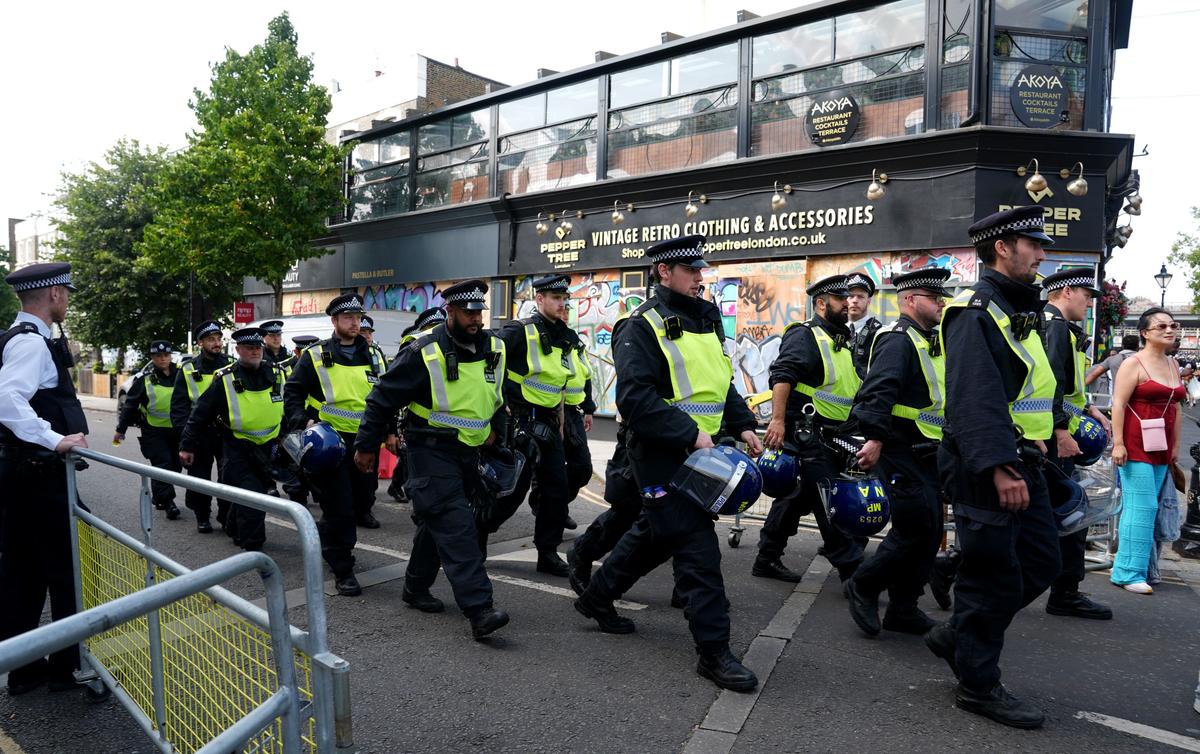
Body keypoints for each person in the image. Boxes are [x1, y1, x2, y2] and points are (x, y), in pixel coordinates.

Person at [573, 235, 764, 692]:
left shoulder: (707, 320)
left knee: (657, 536)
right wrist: (690, 434)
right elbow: (635, 398)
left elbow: (721, 385)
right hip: (661, 456)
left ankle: (598, 597)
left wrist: (742, 425)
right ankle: (714, 653)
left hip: (702, 453)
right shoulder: (640, 325)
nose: (701, 277)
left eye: (701, 270)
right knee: (698, 551)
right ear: (664, 272)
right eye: (691, 270)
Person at [926, 205, 1061, 729]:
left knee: (1042, 561)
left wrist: (1047, 437)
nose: (1043, 254)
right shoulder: (976, 311)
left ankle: (959, 633)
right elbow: (973, 399)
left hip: (1024, 458)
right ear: (1003, 248)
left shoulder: (1015, 307)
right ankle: (978, 686)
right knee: (991, 577)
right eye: (1034, 244)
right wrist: (1001, 467)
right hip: (989, 466)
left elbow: (1027, 388)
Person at [352, 280, 510, 639]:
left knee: (436, 522)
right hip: (429, 451)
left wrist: (498, 434)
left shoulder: (495, 348)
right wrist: (366, 446)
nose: (475, 319)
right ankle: (479, 609)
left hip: (470, 452)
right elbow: (382, 398)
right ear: (450, 312)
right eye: (468, 313)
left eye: (478, 313)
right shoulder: (424, 351)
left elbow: (499, 396)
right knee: (457, 527)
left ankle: (414, 587)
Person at [843, 268, 952, 638]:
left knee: (930, 529)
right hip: (899, 446)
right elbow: (879, 390)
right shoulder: (897, 339)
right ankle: (864, 584)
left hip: (929, 448)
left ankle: (904, 608)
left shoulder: (930, 339)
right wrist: (874, 438)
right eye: (934, 297)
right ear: (910, 300)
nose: (941, 303)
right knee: (914, 527)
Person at [0, 263, 91, 696]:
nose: (68, 301)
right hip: (40, 477)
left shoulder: (17, 338)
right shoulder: (32, 344)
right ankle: (66, 668)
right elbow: (6, 398)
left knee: (23, 574)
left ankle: (24, 668)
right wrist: (55, 440)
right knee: (69, 571)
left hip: (22, 477)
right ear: (54, 294)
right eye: (66, 293)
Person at [755, 274, 865, 583]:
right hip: (808, 432)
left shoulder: (842, 339)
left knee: (797, 497)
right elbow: (782, 377)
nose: (848, 303)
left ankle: (766, 557)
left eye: (851, 298)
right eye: (841, 299)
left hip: (835, 433)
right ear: (820, 303)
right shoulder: (806, 335)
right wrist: (776, 421)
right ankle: (854, 573)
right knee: (829, 500)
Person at [284, 293, 387, 595]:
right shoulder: (316, 355)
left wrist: (390, 431)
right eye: (348, 318)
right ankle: (343, 569)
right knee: (339, 507)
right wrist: (303, 422)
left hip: (365, 442)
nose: (355, 323)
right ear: (334, 321)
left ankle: (328, 538)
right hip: (330, 443)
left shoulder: (374, 354)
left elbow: (384, 396)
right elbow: (293, 392)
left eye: (357, 318)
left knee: (359, 503)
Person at [493, 274, 596, 575]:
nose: (561, 303)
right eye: (555, 298)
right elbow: (490, 360)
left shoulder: (564, 335)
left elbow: (575, 376)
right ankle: (477, 534)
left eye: (564, 298)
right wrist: (503, 404)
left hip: (551, 421)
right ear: (539, 300)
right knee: (512, 489)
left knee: (555, 488)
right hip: (522, 419)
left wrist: (583, 409)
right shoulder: (519, 331)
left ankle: (547, 552)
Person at [1040, 270, 1113, 619]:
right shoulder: (1054, 327)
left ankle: (955, 567)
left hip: (1054, 436)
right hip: (1053, 440)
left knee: (1055, 514)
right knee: (1070, 511)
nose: (1090, 302)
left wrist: (1091, 409)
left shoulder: (1062, 329)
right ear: (1066, 291)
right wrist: (1061, 432)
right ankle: (1065, 593)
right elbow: (1049, 384)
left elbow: (1069, 388)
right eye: (1087, 294)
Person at [180, 328, 285, 552]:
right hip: (239, 448)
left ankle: (234, 526)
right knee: (252, 497)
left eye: (258, 348)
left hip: (269, 447)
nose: (255, 352)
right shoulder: (225, 379)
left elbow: (289, 405)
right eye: (249, 348)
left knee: (256, 494)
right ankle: (253, 548)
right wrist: (187, 445)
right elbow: (200, 414)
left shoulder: (278, 373)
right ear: (238, 350)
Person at [1110, 307, 1187, 594]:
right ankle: (1128, 572)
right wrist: (1118, 443)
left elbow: (1176, 406)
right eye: (1161, 326)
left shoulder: (1173, 364)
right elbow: (1118, 403)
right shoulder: (1134, 364)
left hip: (1162, 446)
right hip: (1135, 444)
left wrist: (1175, 446)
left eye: (1173, 325)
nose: (1170, 330)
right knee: (1143, 506)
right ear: (1144, 333)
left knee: (1150, 506)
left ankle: (1138, 568)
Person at [172, 320, 233, 534]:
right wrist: (185, 439)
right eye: (211, 340)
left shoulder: (231, 365)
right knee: (200, 478)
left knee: (228, 476)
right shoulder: (188, 369)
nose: (216, 344)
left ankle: (226, 515)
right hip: (199, 434)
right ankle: (202, 516)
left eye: (218, 339)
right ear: (200, 343)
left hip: (226, 432)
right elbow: (178, 408)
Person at [113, 340, 183, 521]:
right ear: (152, 358)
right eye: (158, 356)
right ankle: (169, 503)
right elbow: (130, 406)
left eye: (166, 355)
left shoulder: (182, 376)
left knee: (175, 467)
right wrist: (121, 430)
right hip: (154, 432)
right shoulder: (144, 380)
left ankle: (159, 497)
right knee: (163, 465)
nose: (163, 359)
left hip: (178, 431)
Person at [385, 306, 447, 503]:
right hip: (412, 416)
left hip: (440, 422)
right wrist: (391, 429)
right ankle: (401, 488)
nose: (437, 329)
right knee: (409, 457)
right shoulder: (414, 346)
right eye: (432, 326)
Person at [355, 313, 389, 529]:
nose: (367, 336)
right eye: (363, 332)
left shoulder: (377, 354)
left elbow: (388, 391)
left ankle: (364, 510)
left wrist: (390, 428)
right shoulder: (345, 354)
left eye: (369, 332)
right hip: (342, 428)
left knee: (369, 477)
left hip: (371, 426)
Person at [846, 271, 883, 379]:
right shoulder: (834, 330)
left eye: (861, 297)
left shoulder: (879, 333)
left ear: (869, 301)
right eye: (850, 296)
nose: (855, 301)